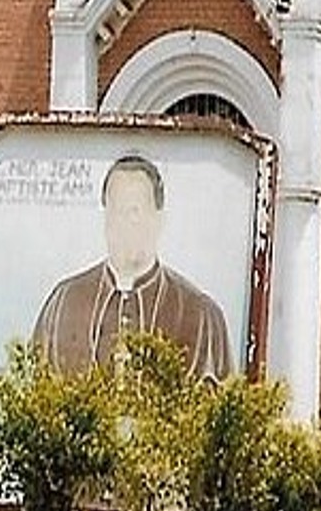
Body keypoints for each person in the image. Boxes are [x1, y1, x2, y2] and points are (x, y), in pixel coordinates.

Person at [29, 153, 234, 375]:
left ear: (159, 219)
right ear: (105, 217)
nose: (124, 222)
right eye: (116, 210)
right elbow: (34, 390)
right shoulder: (64, 302)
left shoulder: (200, 314)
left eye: (134, 212)